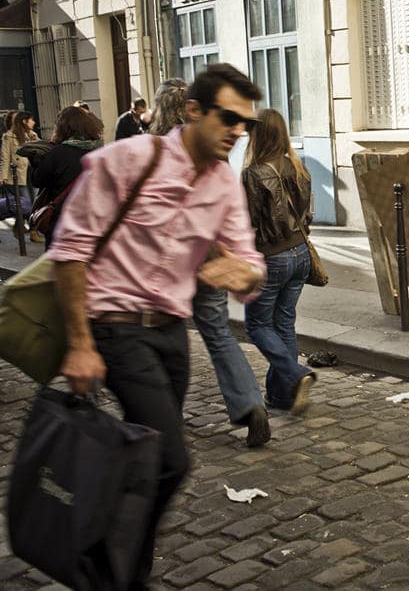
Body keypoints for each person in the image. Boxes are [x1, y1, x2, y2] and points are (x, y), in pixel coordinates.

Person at [48, 63, 266, 588]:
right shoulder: (126, 160)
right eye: (229, 118)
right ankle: (104, 561)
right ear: (193, 111)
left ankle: (124, 571)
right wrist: (79, 345)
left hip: (171, 332)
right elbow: (70, 253)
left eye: (247, 125)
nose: (238, 131)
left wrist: (244, 271)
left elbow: (247, 260)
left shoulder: (224, 186)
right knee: (170, 458)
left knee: (147, 457)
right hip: (115, 327)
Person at [149, 77, 271, 447]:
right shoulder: (214, 155)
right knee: (217, 333)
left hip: (167, 265)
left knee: (160, 334)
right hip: (211, 257)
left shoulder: (150, 151)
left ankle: (163, 417)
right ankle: (251, 405)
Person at [242, 108, 316, 414]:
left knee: (257, 325)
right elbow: (308, 215)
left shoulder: (253, 173)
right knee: (283, 323)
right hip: (300, 253)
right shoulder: (298, 166)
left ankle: (296, 373)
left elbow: (247, 222)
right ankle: (282, 396)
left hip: (273, 256)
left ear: (257, 135)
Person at [30, 107, 104, 248]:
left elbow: (37, 180)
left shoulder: (58, 153)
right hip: (93, 219)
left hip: (63, 221)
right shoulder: (100, 151)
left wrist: (35, 161)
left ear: (62, 128)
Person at [1, 111, 43, 243]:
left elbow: (42, 150)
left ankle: (20, 228)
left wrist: (34, 137)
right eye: (31, 120)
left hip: (31, 174)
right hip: (18, 175)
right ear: (24, 121)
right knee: (27, 205)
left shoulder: (31, 135)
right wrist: (2, 176)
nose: (34, 122)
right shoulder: (9, 137)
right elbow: (5, 157)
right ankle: (32, 231)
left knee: (34, 203)